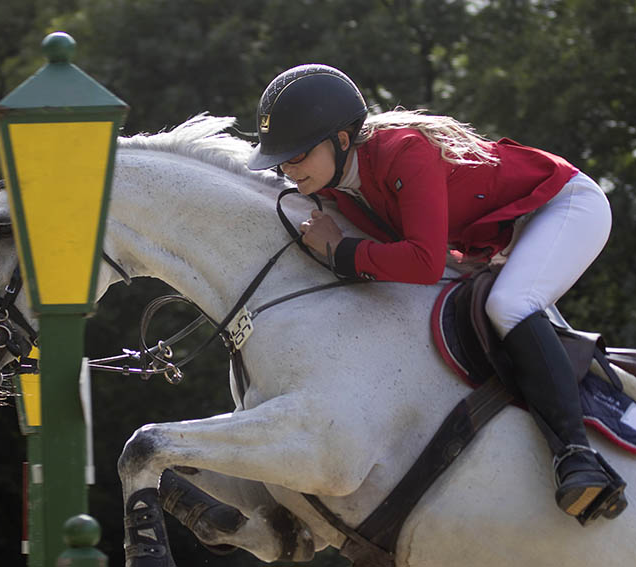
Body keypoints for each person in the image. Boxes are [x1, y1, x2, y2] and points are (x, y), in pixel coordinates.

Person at [246, 63, 626, 523]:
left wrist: (342, 252)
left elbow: (424, 263)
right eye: (282, 160)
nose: (288, 170)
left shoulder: (404, 150)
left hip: (562, 206)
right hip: (497, 242)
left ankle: (576, 456)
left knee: (508, 305)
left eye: (298, 155)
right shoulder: (334, 190)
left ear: (341, 141)